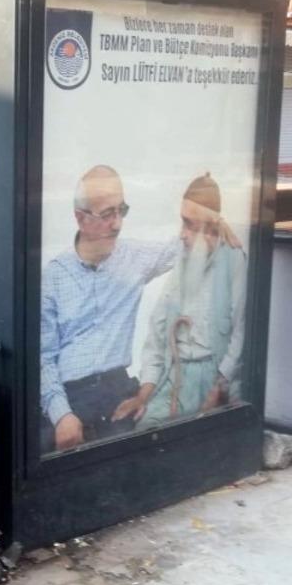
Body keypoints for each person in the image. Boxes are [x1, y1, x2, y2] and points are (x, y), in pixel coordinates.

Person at [39, 166, 177, 452]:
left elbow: (182, 247)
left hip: (117, 392)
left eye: (121, 211)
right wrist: (62, 414)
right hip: (69, 395)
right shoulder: (54, 276)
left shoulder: (134, 258)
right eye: (106, 214)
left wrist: (219, 222)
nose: (116, 224)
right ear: (80, 218)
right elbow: (44, 356)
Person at [112, 174, 247, 429]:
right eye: (182, 223)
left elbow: (241, 332)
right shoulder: (183, 259)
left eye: (189, 224)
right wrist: (143, 395)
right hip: (174, 378)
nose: (182, 234)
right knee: (144, 429)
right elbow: (156, 335)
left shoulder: (233, 260)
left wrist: (219, 386)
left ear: (210, 227)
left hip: (216, 378)